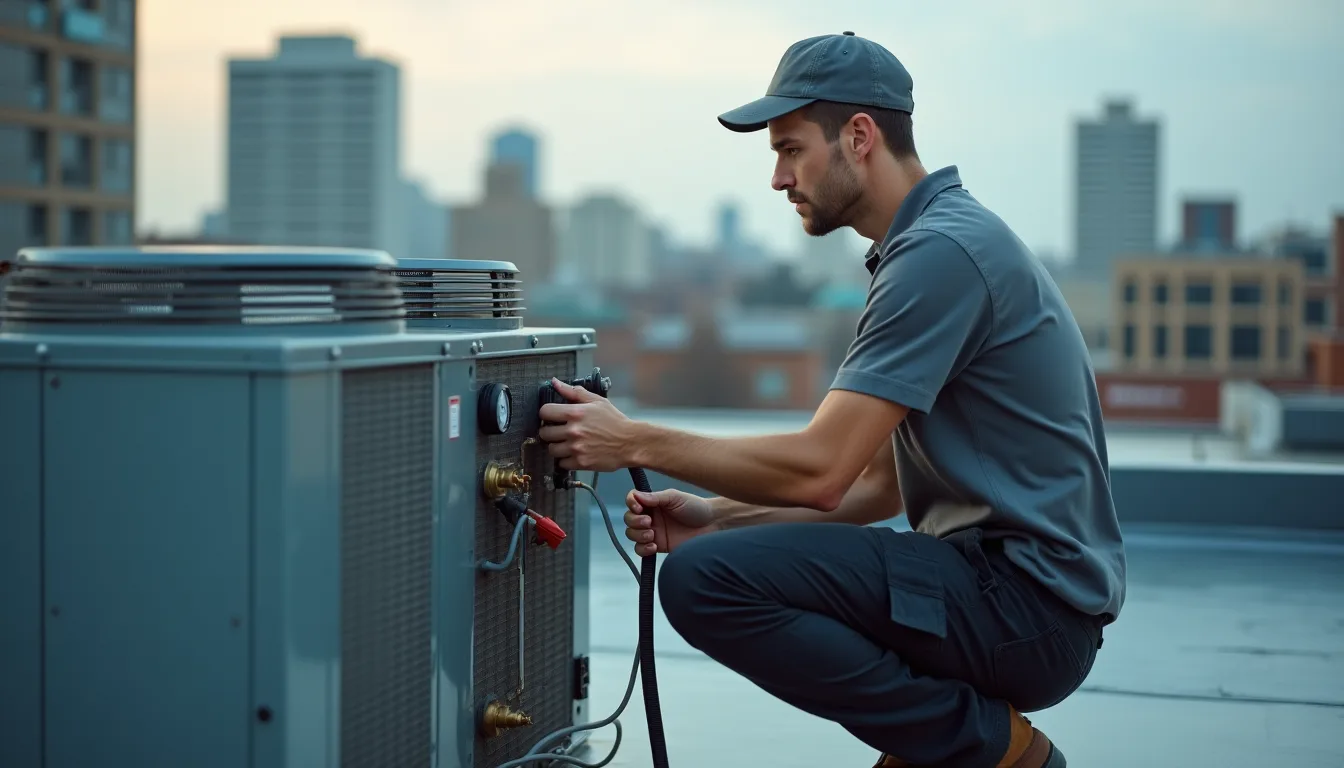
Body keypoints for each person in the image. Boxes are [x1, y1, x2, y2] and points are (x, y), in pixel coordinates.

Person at [536, 31, 1125, 768]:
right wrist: (716, 517)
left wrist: (635, 442)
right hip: (1017, 602)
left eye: (790, 149)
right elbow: (875, 484)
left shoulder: (940, 255)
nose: (779, 178)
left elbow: (822, 470)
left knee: (703, 582)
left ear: (858, 136)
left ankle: (989, 749)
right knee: (712, 556)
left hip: (1021, 607)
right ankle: (934, 746)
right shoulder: (932, 245)